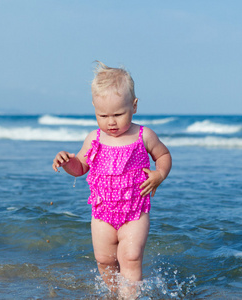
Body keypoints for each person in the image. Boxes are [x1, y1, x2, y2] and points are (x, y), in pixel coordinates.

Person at [52, 61, 172, 297]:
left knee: (131, 256)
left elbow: (164, 155)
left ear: (134, 106)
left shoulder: (143, 135)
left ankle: (130, 296)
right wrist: (68, 162)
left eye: (118, 114)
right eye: (103, 115)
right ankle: (113, 294)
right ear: (95, 109)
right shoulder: (94, 138)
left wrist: (159, 174)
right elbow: (80, 168)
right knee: (104, 259)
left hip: (134, 211)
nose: (111, 122)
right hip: (102, 212)